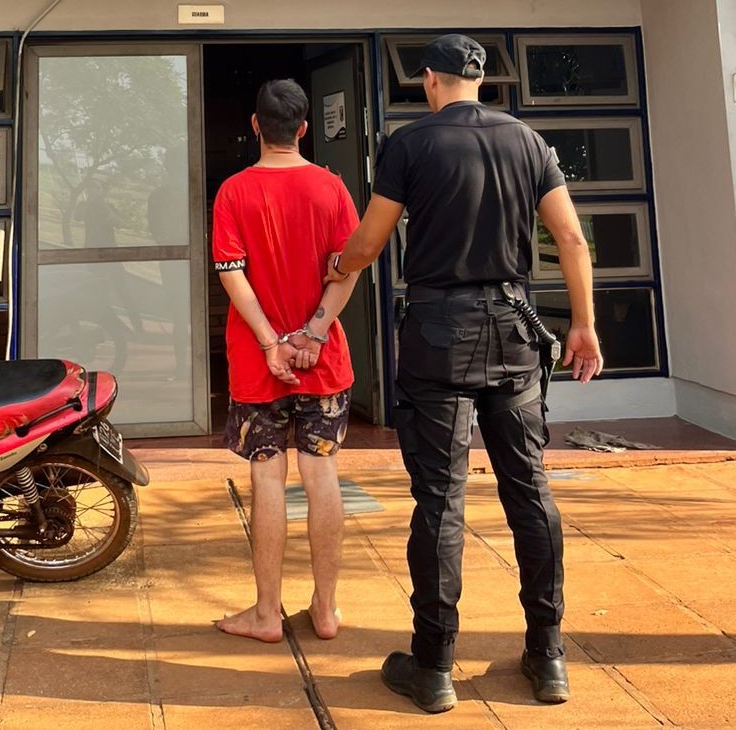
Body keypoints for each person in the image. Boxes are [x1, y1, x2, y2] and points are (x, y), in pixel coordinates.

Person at [325, 35, 603, 712]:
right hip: (514, 332)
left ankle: (434, 666)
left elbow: (371, 240)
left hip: (438, 335)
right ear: (479, 80)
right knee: (529, 492)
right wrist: (584, 325)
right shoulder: (528, 142)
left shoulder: (409, 144)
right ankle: (548, 657)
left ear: (430, 79)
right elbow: (571, 237)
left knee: (441, 501)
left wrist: (340, 265)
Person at [211, 79, 362, 643]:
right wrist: (313, 334)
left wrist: (271, 342)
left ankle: (266, 614)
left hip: (259, 363)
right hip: (322, 359)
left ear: (255, 125)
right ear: (303, 128)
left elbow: (232, 275)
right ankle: (325, 609)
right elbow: (348, 268)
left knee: (267, 478)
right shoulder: (332, 188)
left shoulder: (234, 192)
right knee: (322, 474)